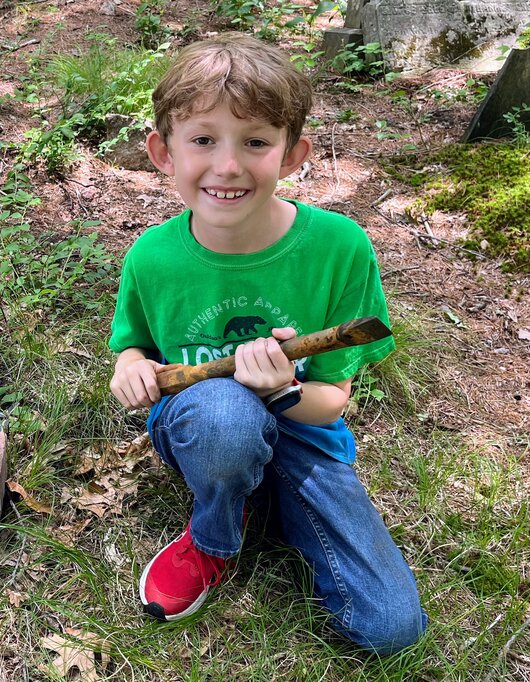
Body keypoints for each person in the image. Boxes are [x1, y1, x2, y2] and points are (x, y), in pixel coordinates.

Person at [107, 33, 426, 654]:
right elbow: (135, 347)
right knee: (227, 414)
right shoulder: (153, 256)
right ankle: (216, 533)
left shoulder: (339, 248)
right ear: (163, 152)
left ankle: (264, 494)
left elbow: (331, 399)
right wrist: (130, 367)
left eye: (255, 142)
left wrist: (281, 389)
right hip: (203, 423)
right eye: (203, 139)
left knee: (390, 628)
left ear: (291, 154)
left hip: (304, 433)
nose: (228, 165)